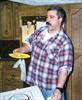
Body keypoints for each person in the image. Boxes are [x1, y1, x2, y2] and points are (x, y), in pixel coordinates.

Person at [13, 6, 73, 100]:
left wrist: (58, 89)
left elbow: (64, 69)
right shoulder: (40, 30)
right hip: (33, 84)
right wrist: (22, 49)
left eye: (51, 17)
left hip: (49, 88)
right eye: (47, 17)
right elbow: (29, 45)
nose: (47, 20)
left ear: (60, 19)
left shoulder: (64, 42)